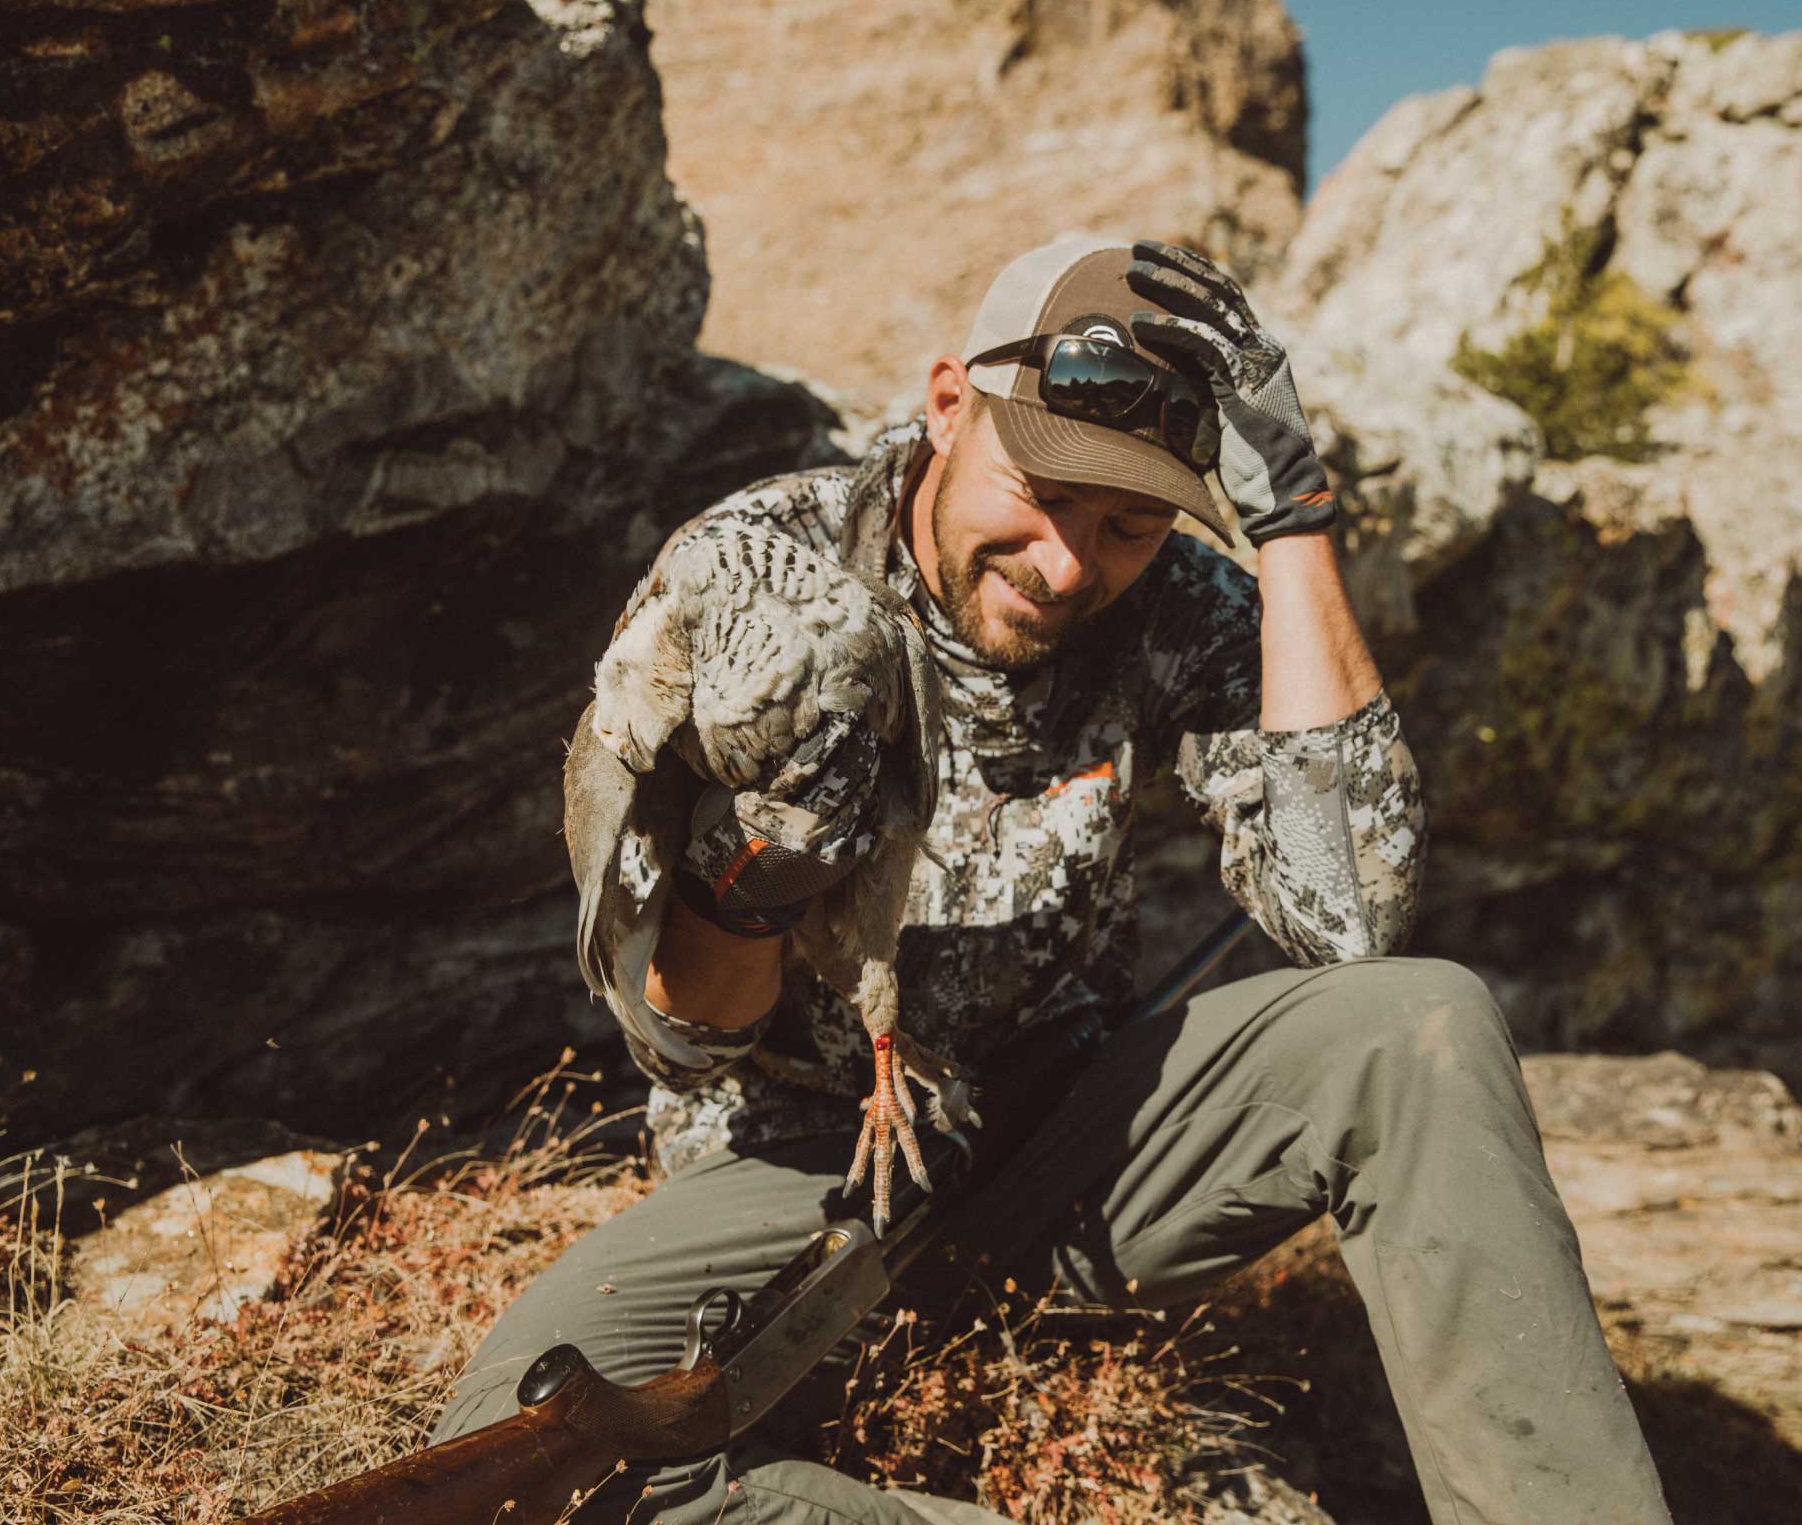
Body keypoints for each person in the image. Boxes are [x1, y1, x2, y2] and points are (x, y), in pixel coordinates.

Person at [430, 238, 1671, 1523]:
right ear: (948, 404)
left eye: (1128, 523)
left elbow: (1349, 917)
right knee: (519, 1453)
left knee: (1416, 1024)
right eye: (1041, 492)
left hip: (1076, 1142)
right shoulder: (757, 586)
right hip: (792, 1176)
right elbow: (684, 1044)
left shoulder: (1176, 604)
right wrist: (748, 885)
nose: (1069, 563)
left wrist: (1294, 525)